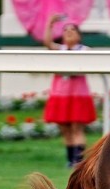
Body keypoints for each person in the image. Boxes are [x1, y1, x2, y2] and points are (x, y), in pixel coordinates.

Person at [42, 13, 97, 167]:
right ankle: (69, 158)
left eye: (72, 30)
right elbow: (47, 42)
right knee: (65, 128)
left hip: (77, 93)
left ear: (79, 35)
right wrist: (50, 24)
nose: (69, 32)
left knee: (76, 127)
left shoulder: (85, 50)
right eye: (66, 30)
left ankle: (78, 160)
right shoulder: (61, 49)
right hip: (61, 93)